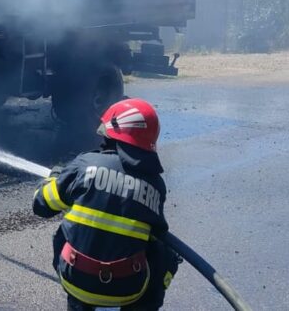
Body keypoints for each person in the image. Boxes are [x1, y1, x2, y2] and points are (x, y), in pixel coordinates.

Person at [33, 98, 180, 310]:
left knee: (67, 231)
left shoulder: (85, 164)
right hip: (129, 288)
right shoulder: (155, 185)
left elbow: (41, 205)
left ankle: (79, 305)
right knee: (165, 252)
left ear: (113, 131)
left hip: (76, 279)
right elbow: (157, 232)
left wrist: (55, 177)